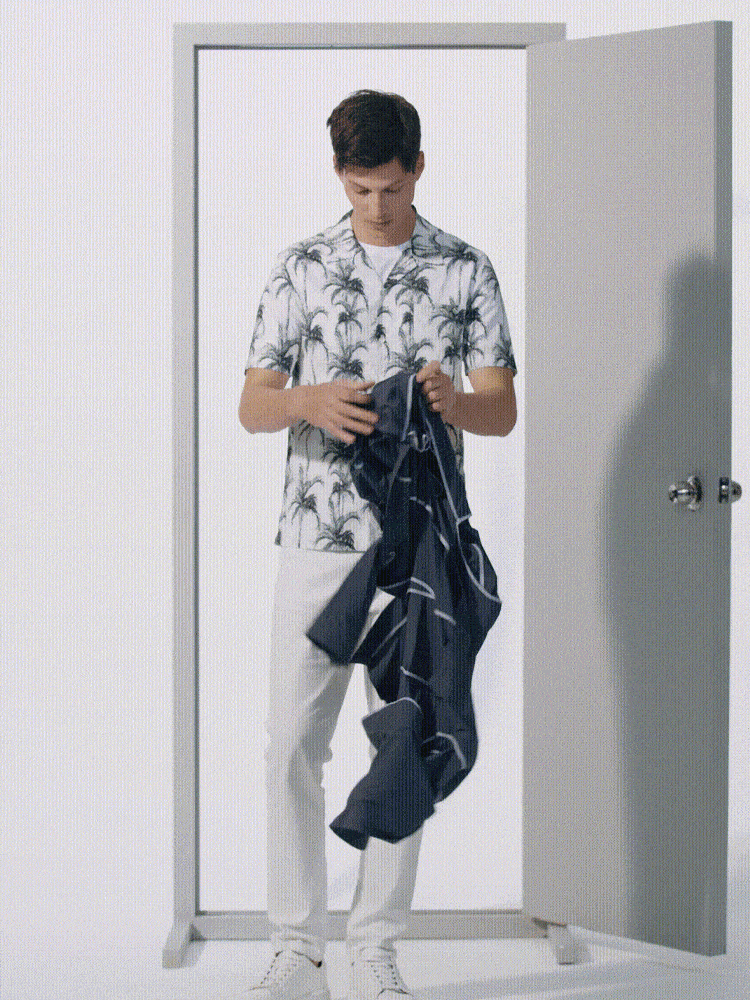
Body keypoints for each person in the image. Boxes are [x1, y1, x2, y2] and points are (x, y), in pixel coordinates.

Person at [238, 90, 517, 1000]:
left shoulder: (465, 270)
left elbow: (502, 410)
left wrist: (452, 403)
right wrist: (308, 400)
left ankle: (376, 945)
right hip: (317, 536)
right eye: (360, 189)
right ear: (339, 175)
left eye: (392, 187)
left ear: (418, 169)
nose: (377, 205)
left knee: (403, 743)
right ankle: (298, 946)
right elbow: (251, 405)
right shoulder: (301, 268)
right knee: (291, 743)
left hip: (419, 546)